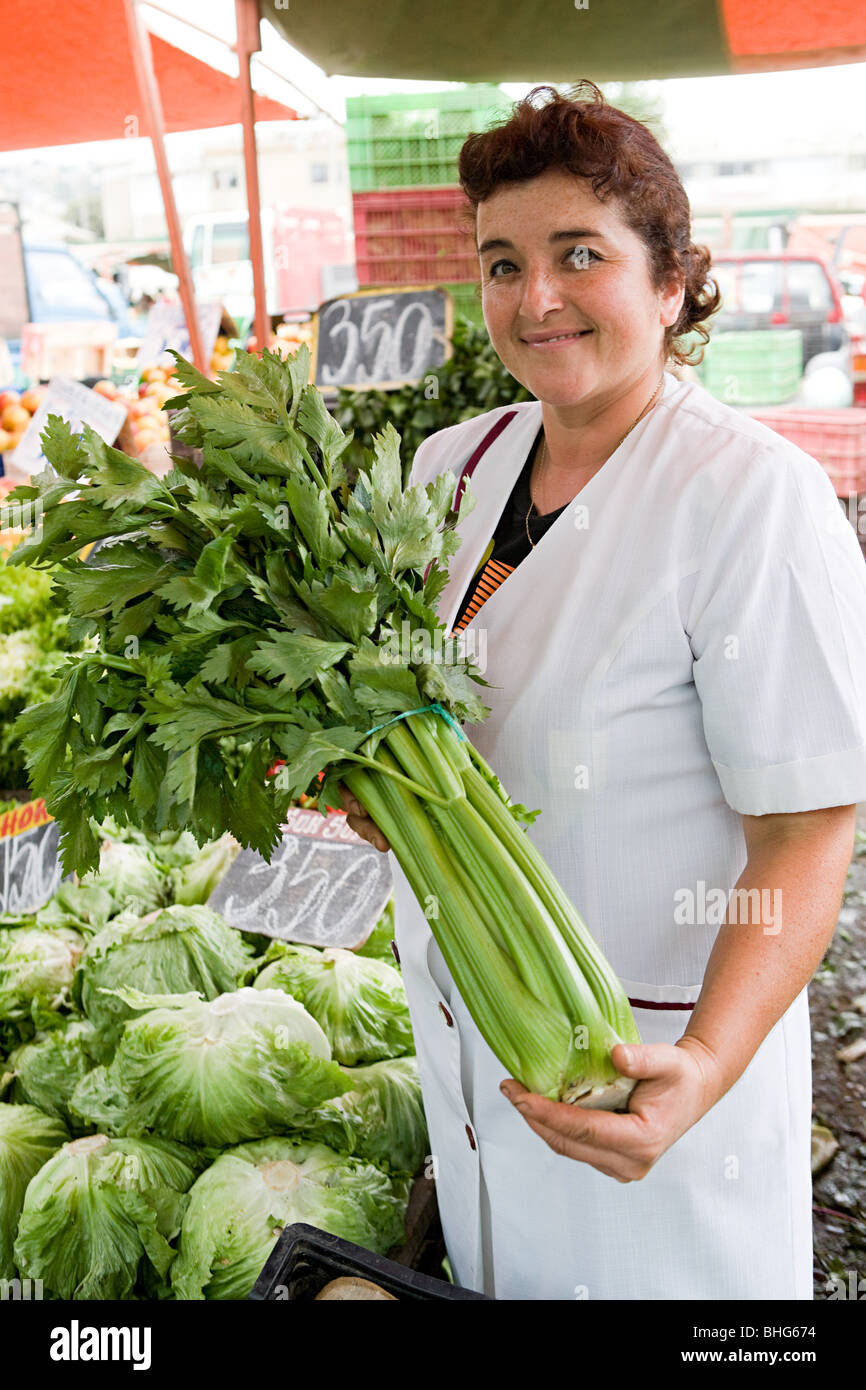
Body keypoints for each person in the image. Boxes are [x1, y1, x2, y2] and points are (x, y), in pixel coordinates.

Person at [340, 82, 866, 1300]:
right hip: (471, 1056)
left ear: (669, 282)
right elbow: (444, 728)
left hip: (652, 1060)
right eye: (501, 262)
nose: (536, 299)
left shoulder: (750, 499)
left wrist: (707, 1053)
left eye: (581, 254)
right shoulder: (447, 469)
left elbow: (805, 829)